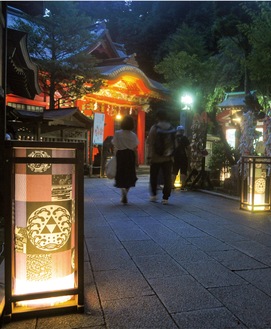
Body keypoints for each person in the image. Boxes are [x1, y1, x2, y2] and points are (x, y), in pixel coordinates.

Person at [147, 109, 175, 204]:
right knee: (167, 177)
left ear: (157, 117)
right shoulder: (171, 127)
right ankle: (165, 198)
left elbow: (150, 143)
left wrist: (149, 156)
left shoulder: (154, 128)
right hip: (168, 157)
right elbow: (175, 143)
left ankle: (154, 195)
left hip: (156, 157)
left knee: (153, 176)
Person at [112, 115, 139, 204]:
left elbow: (114, 144)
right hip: (130, 155)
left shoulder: (118, 133)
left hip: (120, 154)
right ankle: (126, 191)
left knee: (121, 173)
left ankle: (122, 190)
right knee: (129, 174)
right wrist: (137, 161)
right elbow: (135, 148)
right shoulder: (133, 135)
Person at [172, 125, 190, 190]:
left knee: (174, 171)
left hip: (175, 156)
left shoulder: (174, 138)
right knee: (183, 171)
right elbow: (188, 147)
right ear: (183, 131)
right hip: (183, 156)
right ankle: (183, 186)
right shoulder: (185, 138)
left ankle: (172, 185)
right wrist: (189, 155)